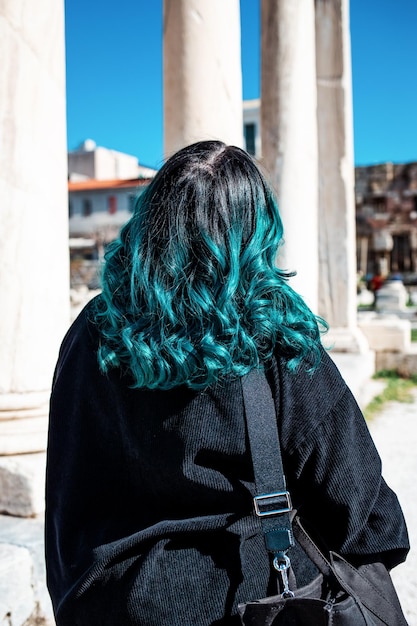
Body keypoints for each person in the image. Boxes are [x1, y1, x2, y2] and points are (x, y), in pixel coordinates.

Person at [45, 141, 409, 625]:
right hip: (248, 603)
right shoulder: (273, 332)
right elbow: (358, 501)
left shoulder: (95, 328)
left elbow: (67, 494)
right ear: (255, 231)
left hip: (115, 604)